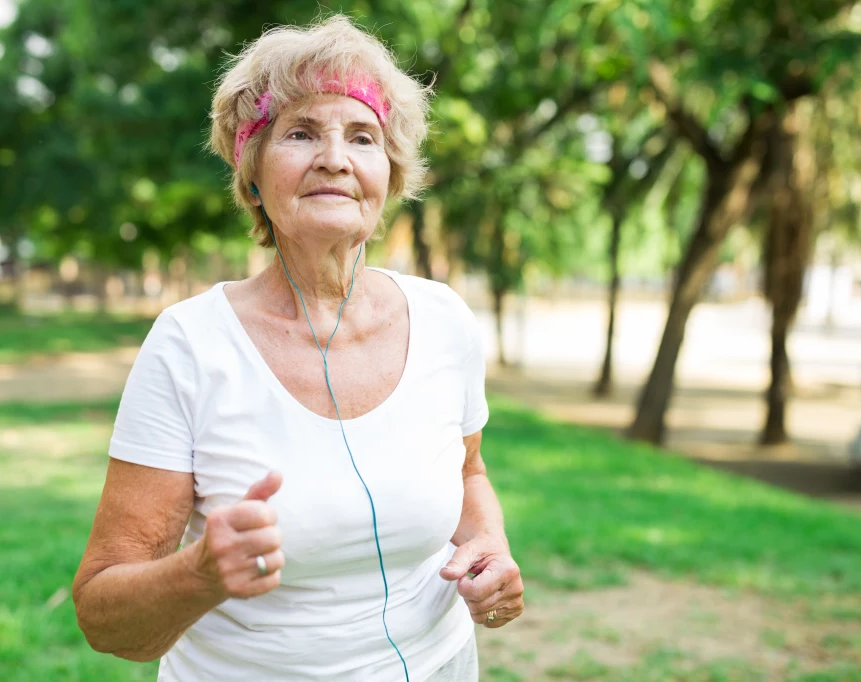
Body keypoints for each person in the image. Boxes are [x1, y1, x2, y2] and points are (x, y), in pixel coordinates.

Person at [72, 15, 524, 682]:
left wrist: (490, 546)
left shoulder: (444, 320)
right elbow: (106, 619)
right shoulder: (190, 344)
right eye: (302, 132)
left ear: (389, 177)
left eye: (362, 137)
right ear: (252, 176)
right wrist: (200, 575)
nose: (335, 158)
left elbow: (468, 473)